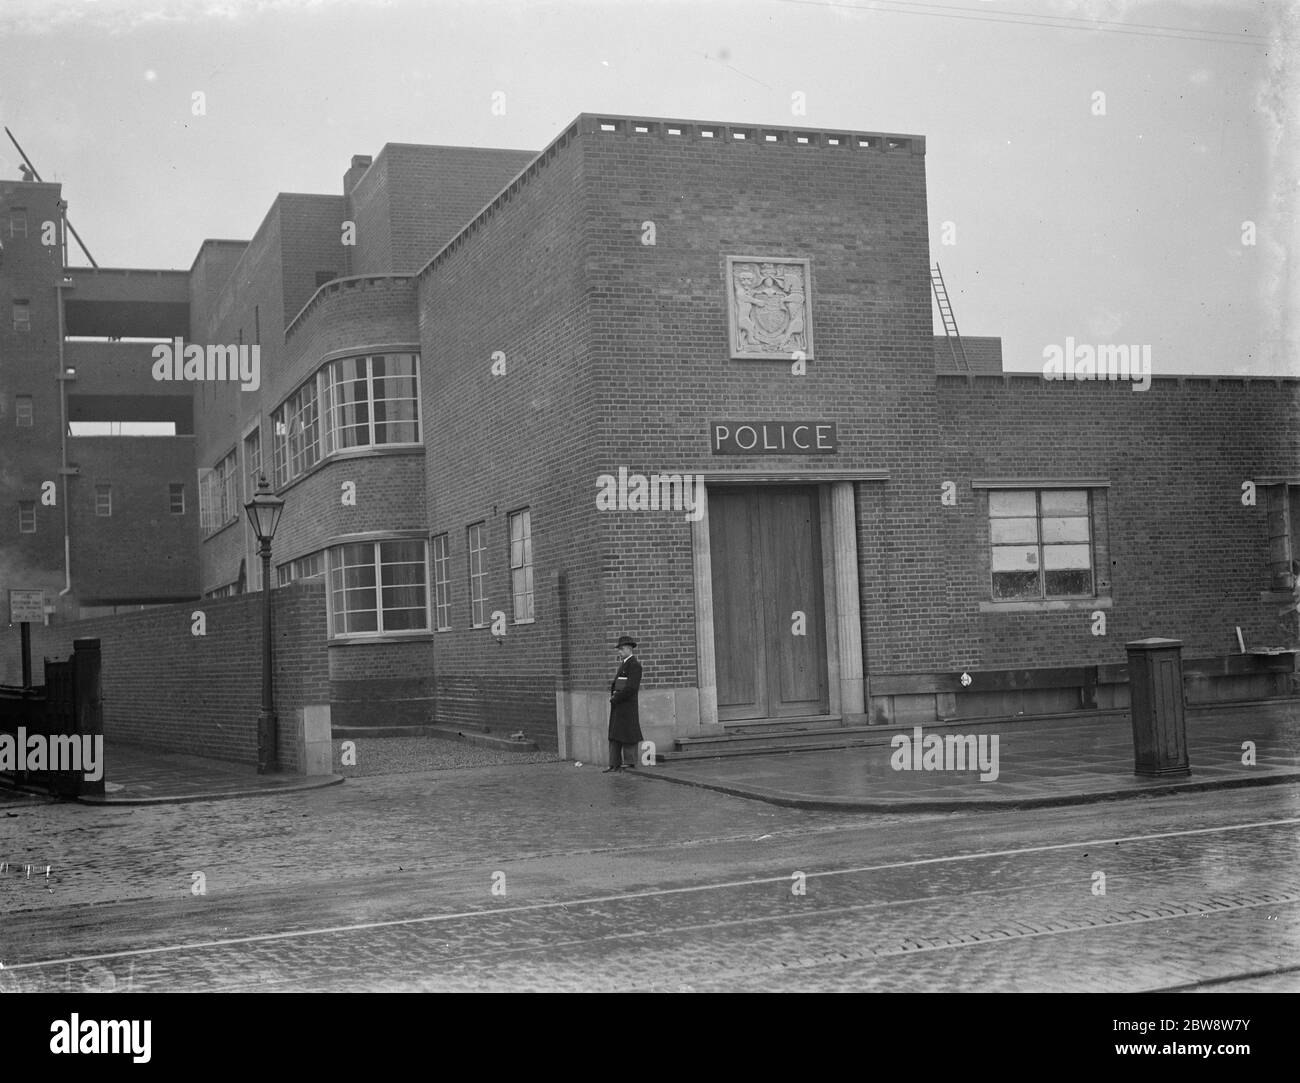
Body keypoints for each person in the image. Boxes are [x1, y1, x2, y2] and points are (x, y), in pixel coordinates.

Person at [604, 635, 643, 772]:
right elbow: (620, 685)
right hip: (619, 705)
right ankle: (614, 763)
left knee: (628, 734)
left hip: (627, 706)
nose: (619, 652)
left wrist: (616, 697)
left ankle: (630, 762)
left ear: (628, 648)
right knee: (616, 734)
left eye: (621, 649)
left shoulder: (634, 665)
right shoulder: (625, 664)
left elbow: (631, 688)